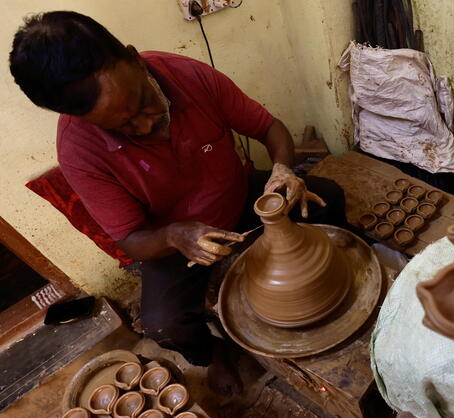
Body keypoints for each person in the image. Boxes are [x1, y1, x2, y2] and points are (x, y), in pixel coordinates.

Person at [9, 11, 346, 395]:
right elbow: (132, 240)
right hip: (174, 239)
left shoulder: (189, 75)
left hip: (239, 197)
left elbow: (269, 129)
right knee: (163, 326)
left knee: (328, 197)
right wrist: (174, 235)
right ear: (82, 119)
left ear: (135, 60)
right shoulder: (79, 151)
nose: (143, 126)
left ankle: (337, 276)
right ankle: (216, 353)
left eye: (140, 102)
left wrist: (284, 169)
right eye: (120, 125)